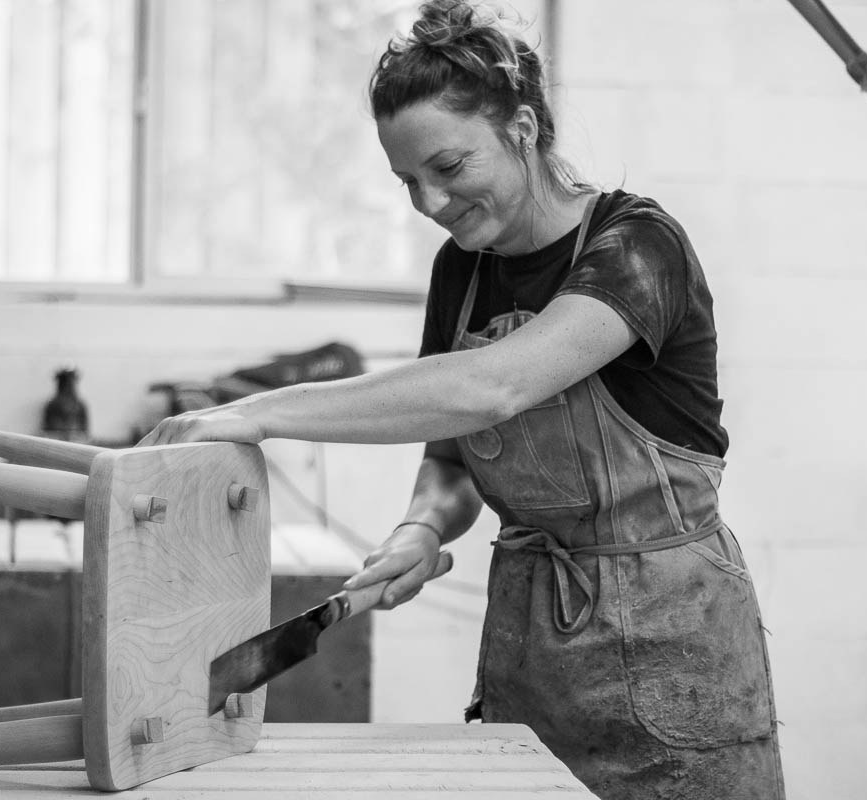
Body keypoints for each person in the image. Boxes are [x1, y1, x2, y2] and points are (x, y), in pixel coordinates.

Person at [138, 1, 784, 797]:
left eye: (447, 169)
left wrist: (258, 412)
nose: (431, 205)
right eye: (409, 182)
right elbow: (453, 456)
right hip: (534, 652)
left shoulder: (638, 246)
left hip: (671, 640)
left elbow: (492, 388)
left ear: (520, 126)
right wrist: (419, 528)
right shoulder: (463, 271)